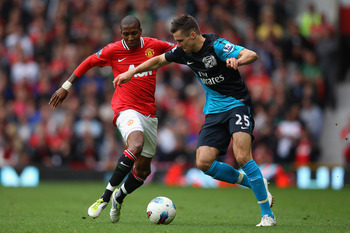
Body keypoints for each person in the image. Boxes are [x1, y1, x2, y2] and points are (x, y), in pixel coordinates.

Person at [115, 14, 276, 227]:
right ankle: (255, 183)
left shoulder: (216, 45)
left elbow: (251, 54)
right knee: (203, 162)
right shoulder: (184, 52)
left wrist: (237, 59)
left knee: (242, 156)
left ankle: (267, 215)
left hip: (237, 104)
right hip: (214, 112)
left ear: (193, 35)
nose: (177, 45)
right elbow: (159, 60)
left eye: (180, 40)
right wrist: (132, 72)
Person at [48, 15, 174, 223]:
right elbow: (88, 62)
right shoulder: (113, 50)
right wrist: (66, 86)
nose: (131, 37)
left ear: (141, 31)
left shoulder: (154, 45)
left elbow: (181, 51)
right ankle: (104, 197)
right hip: (125, 109)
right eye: (126, 34)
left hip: (149, 113)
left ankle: (119, 196)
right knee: (135, 145)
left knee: (143, 170)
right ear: (120, 33)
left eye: (135, 33)